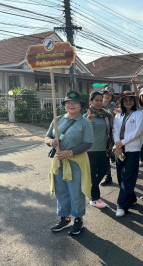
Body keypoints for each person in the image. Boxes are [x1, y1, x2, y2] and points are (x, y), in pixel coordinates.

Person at [46, 91, 93, 235]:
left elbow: (88, 143)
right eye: (68, 102)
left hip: (76, 163)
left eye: (75, 103)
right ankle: (64, 218)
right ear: (65, 105)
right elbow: (47, 136)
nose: (71, 105)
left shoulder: (85, 122)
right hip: (59, 161)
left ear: (80, 106)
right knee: (61, 191)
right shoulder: (57, 119)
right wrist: (50, 141)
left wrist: (70, 152)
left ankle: (78, 219)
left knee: (76, 192)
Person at [113, 91, 143, 217]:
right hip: (120, 149)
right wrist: (118, 145)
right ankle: (131, 198)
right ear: (121, 102)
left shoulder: (139, 114)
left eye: (130, 100)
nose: (128, 102)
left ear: (134, 101)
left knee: (127, 177)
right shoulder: (118, 115)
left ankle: (121, 205)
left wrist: (122, 142)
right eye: (125, 100)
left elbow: (137, 132)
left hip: (133, 149)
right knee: (121, 177)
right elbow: (115, 130)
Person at [84, 91, 114, 209]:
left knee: (102, 172)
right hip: (90, 150)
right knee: (92, 174)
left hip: (104, 149)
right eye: (96, 100)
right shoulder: (87, 115)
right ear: (90, 101)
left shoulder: (106, 114)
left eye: (101, 100)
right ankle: (95, 198)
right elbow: (82, 132)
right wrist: (89, 122)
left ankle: (90, 189)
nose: (99, 102)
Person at [100, 86, 117, 186]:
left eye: (110, 95)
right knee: (105, 155)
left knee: (116, 153)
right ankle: (108, 176)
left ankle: (123, 174)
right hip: (101, 133)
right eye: (106, 93)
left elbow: (117, 117)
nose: (107, 96)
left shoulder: (113, 105)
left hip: (112, 132)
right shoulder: (98, 104)